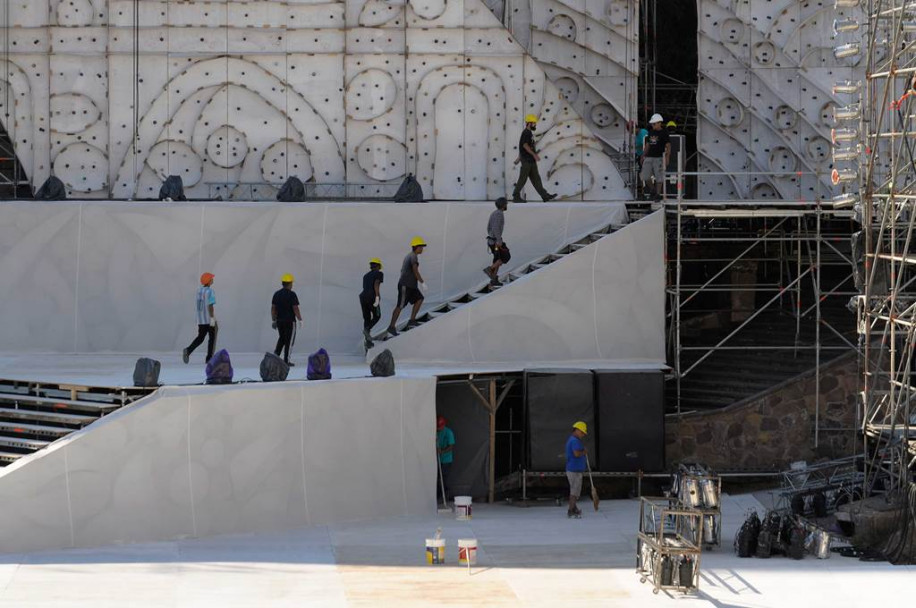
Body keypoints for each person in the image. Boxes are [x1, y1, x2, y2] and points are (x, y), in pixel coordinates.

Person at [386, 236, 427, 337]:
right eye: (421, 246)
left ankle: (412, 320)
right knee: (400, 305)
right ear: (416, 247)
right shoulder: (413, 256)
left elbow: (404, 270)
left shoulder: (410, 256)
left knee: (420, 298)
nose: (422, 249)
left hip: (411, 286)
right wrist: (422, 282)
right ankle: (391, 327)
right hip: (405, 285)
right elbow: (415, 270)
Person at [512, 114, 556, 203]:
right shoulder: (526, 133)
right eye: (534, 123)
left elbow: (523, 147)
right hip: (527, 161)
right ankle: (516, 196)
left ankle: (545, 196)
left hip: (531, 160)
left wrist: (518, 159)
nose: (535, 125)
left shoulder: (529, 133)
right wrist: (534, 155)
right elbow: (524, 145)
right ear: (529, 123)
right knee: (523, 179)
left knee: (536, 179)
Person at [183, 272, 217, 364]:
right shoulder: (210, 291)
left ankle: (188, 350)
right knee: (212, 338)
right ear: (209, 281)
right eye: (211, 278)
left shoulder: (199, 291)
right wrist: (212, 318)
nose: (212, 279)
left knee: (200, 338)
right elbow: (210, 306)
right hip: (208, 319)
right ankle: (209, 359)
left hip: (201, 319)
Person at [271, 273, 303, 366]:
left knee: (282, 338)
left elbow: (273, 308)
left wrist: (274, 320)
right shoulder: (292, 294)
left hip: (280, 321)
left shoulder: (276, 294)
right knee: (289, 340)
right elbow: (295, 308)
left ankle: (275, 356)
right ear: (289, 284)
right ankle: (286, 361)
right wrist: (300, 319)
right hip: (290, 321)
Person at [641, 113, 671, 202]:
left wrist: (667, 157)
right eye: (652, 124)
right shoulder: (651, 132)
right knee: (644, 176)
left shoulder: (664, 132)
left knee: (659, 176)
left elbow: (668, 145)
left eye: (654, 123)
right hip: (649, 156)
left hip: (659, 157)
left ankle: (658, 194)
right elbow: (648, 144)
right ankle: (653, 189)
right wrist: (643, 155)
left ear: (659, 123)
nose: (652, 125)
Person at [483, 197, 511, 286]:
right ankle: (490, 269)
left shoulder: (495, 213)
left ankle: (494, 280)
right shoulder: (499, 214)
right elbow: (495, 228)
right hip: (495, 241)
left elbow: (489, 228)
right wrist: (498, 240)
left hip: (492, 240)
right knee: (505, 257)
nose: (507, 205)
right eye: (506, 204)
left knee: (497, 259)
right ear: (503, 205)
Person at [566, 421, 588, 518]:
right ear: (577, 430)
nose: (583, 434)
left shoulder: (572, 440)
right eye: (582, 432)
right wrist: (584, 452)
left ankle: (574, 508)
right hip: (574, 470)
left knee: (575, 491)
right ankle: (571, 510)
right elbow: (576, 454)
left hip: (574, 469)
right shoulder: (575, 441)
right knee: (574, 492)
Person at [360, 257, 384, 349]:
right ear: (378, 266)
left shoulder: (365, 276)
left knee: (367, 318)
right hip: (372, 297)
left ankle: (368, 341)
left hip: (363, 297)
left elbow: (365, 287)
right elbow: (376, 284)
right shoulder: (379, 273)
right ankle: (366, 331)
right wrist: (377, 296)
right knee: (377, 316)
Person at [437, 416, 456, 503]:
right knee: (437, 478)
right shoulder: (436, 432)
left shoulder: (449, 432)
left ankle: (445, 496)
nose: (439, 429)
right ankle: (439, 495)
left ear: (444, 425)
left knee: (443, 478)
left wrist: (443, 451)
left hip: (446, 460)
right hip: (438, 459)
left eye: (440, 427)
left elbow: (451, 446)